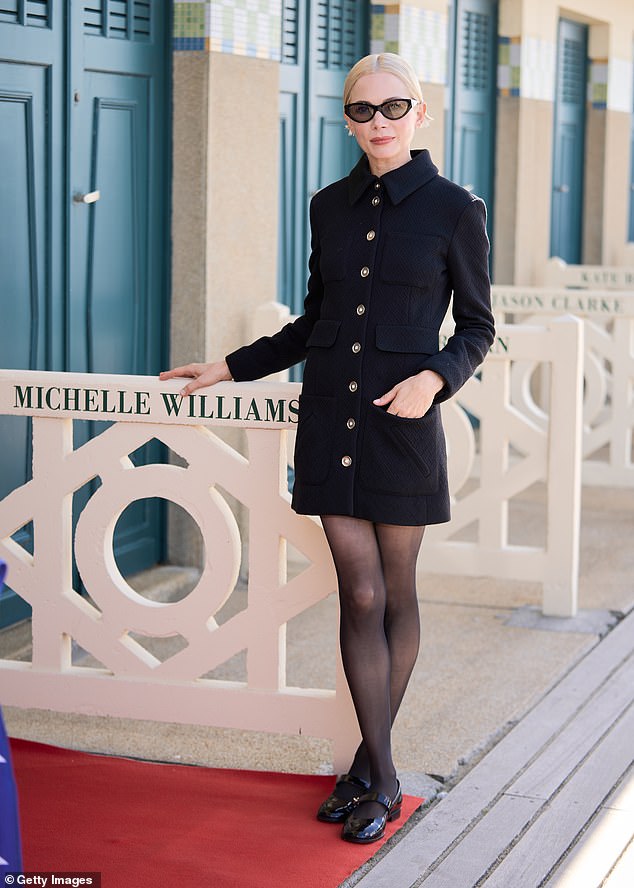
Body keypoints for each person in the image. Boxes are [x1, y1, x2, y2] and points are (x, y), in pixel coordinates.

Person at [160, 52, 495, 844]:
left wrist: (436, 380)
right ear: (346, 119)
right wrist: (229, 366)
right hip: (330, 424)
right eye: (361, 110)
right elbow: (315, 321)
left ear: (421, 115)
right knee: (361, 595)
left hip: (404, 426)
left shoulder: (456, 209)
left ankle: (367, 773)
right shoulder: (328, 206)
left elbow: (479, 327)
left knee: (398, 594)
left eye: (393, 107)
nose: (378, 122)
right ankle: (380, 777)